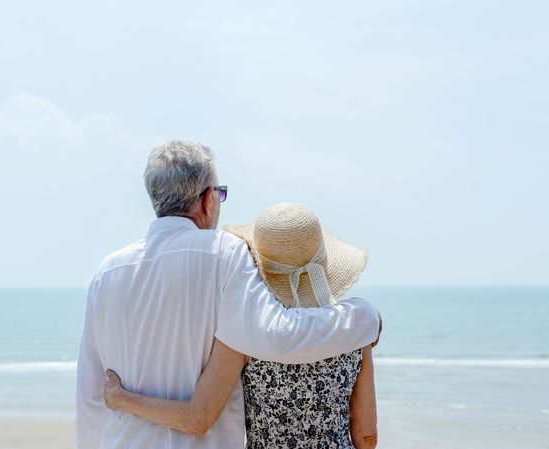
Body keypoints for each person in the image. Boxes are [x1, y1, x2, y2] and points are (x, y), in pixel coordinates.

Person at [76, 140, 381, 449]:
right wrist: (362, 317)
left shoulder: (107, 271)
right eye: (220, 194)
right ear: (208, 199)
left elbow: (90, 395)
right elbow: (275, 334)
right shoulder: (223, 253)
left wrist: (121, 402)